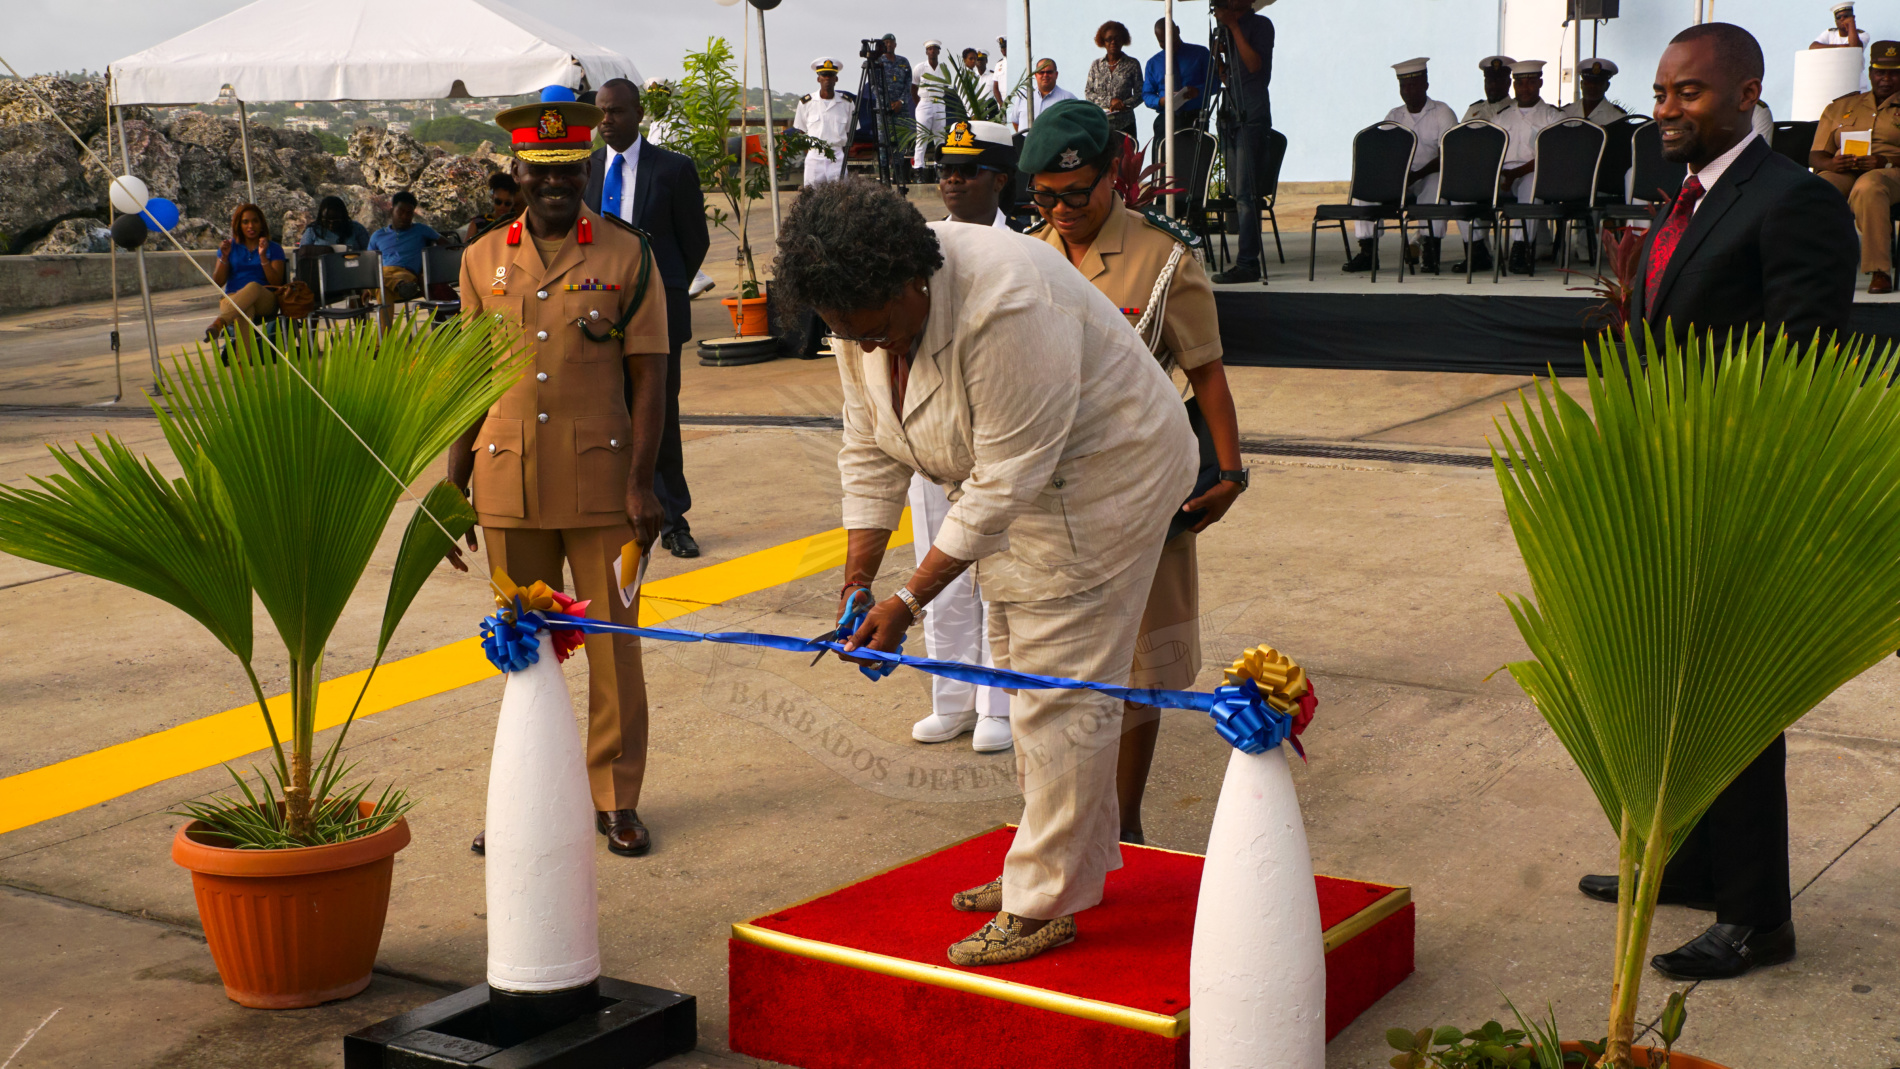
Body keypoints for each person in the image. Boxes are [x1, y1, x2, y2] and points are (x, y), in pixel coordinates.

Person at [772, 176, 1195, 966]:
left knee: (1057, 687)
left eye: (877, 331)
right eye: (849, 335)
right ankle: (1066, 855)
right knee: (1021, 662)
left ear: (913, 281)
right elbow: (869, 442)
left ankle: (1044, 901)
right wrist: (858, 580)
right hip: (1027, 481)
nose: (869, 348)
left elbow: (1004, 481)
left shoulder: (1009, 305)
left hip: (1106, 478)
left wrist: (907, 599)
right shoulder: (857, 305)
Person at [1585, 23, 1856, 982]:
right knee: (1678, 685)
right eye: (1662, 92)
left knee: (1737, 705)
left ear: (1747, 94)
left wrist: (1752, 486)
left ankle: (1756, 917)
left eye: (1688, 93)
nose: (1665, 109)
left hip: (1738, 492)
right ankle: (1694, 865)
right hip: (1670, 483)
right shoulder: (1687, 200)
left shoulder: (1795, 201)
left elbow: (1806, 365)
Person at [1020, 101, 1246, 845]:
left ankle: (1125, 823)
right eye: (1044, 197)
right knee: (1053, 667)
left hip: (1143, 489)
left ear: (1112, 175)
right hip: (1051, 495)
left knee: (1139, 665)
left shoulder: (1164, 257)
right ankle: (1060, 828)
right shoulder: (1028, 254)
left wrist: (1230, 472)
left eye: (1075, 193)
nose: (1061, 210)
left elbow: (1207, 373)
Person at [454, 98, 672, 860]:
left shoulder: (627, 254)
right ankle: (530, 799)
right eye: (540, 170)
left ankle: (616, 798)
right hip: (507, 481)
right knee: (523, 648)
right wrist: (453, 484)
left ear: (587, 169)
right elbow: (468, 379)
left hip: (604, 484)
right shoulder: (482, 257)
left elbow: (651, 377)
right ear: (517, 170)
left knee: (613, 648)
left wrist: (643, 483)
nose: (555, 183)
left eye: (569, 170)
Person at [904, 119, 1022, 754]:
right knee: (939, 567)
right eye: (945, 170)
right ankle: (951, 698)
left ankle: (998, 703)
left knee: (999, 576)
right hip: (935, 429)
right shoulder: (921, 246)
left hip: (1001, 433)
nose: (951, 180)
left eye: (967, 170)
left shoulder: (1025, 250)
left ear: (999, 180)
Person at [584, 77, 713, 559]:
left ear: (638, 114)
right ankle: (611, 511)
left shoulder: (673, 169)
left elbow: (694, 240)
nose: (606, 120)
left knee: (659, 412)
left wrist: (663, 287)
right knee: (602, 411)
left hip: (657, 311)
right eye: (601, 111)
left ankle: (673, 519)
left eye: (616, 111)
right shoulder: (586, 168)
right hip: (597, 313)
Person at [1347, 58, 1458, 274]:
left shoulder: (1442, 112)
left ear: (1426, 84)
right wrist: (1394, 176)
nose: (1407, 91)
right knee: (1366, 187)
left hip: (1428, 174)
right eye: (1403, 86)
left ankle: (1430, 249)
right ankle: (1368, 251)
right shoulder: (1395, 115)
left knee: (1437, 184)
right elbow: (1384, 153)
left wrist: (1416, 175)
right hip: (1399, 179)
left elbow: (1449, 155)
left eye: (1413, 85)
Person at [1810, 41, 1900, 294]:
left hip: (1891, 172)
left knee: (1868, 187)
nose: (1886, 79)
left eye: (1894, 73)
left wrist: (1885, 161)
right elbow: (1816, 155)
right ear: (1870, 73)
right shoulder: (1841, 107)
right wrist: (1831, 163)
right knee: (1817, 188)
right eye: (1880, 72)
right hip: (1844, 170)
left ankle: (1879, 270)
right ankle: (1814, 267)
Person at [1209, 0, 1276, 284]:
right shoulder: (1225, 30)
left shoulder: (1260, 25)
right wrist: (1219, 57)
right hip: (1231, 114)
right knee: (1237, 192)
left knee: (1247, 194)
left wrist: (1234, 27)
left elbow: (1254, 66)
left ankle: (1248, 263)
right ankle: (1244, 260)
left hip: (1252, 114)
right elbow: (1227, 76)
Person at [1492, 59, 1563, 276]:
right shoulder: (1501, 116)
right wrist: (1502, 175)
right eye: (1520, 83)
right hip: (1503, 175)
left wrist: (1516, 174)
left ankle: (1521, 249)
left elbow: (1551, 156)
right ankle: (1475, 249)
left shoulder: (1553, 115)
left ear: (1540, 83)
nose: (1525, 88)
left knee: (1532, 183)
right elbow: (1491, 152)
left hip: (1535, 173)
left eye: (1531, 82)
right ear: (1514, 85)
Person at [206, 202, 286, 341]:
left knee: (253, 286)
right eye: (245, 222)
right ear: (239, 225)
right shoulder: (229, 247)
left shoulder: (273, 248)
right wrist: (224, 257)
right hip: (233, 297)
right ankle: (244, 356)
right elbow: (218, 282)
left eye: (255, 221)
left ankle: (220, 323)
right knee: (244, 310)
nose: (251, 226)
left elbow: (276, 282)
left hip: (264, 299)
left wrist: (263, 257)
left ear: (261, 224)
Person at [1143, 19, 1214, 168]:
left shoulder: (1200, 54)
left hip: (1194, 119)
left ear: (1178, 30)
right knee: (1163, 165)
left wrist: (1198, 91)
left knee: (1194, 166)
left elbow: (1215, 83)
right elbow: (1147, 95)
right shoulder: (1153, 63)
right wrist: (1161, 101)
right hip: (1166, 119)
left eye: (1171, 38)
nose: (1168, 44)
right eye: (1162, 42)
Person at [365, 190, 440, 329]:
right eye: (400, 212)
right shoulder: (378, 235)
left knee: (381, 285)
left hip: (406, 274)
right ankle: (397, 285)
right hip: (390, 279)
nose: (405, 216)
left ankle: (383, 341)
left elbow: (446, 245)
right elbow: (369, 263)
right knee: (381, 285)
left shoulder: (421, 230)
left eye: (409, 213)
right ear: (391, 211)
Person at [793, 57, 856, 188]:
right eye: (824, 75)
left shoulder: (847, 103)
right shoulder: (806, 103)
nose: (827, 78)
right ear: (818, 79)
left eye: (831, 75)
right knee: (811, 195)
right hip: (814, 157)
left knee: (840, 195)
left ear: (836, 79)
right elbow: (801, 131)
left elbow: (850, 132)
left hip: (837, 156)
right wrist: (811, 151)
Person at [1086, 21, 1143, 138]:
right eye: (1109, 39)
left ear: (1123, 40)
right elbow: (1088, 93)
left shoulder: (1132, 64)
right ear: (1103, 42)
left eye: (1117, 38)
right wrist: (1110, 101)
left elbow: (1141, 94)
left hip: (1125, 125)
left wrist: (1123, 104)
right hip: (1101, 125)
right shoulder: (1096, 65)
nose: (1113, 42)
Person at [874, 34, 914, 182]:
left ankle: (899, 174)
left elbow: (908, 85)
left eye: (891, 42)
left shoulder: (904, 62)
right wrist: (887, 103)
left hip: (901, 109)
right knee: (883, 142)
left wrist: (901, 102)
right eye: (886, 42)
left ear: (895, 45)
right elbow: (874, 85)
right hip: (883, 108)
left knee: (900, 142)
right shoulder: (877, 62)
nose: (889, 45)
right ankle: (885, 175)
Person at [1814, 1, 1877, 91]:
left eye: (1846, 16)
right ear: (1835, 21)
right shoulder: (1830, 33)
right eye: (1838, 17)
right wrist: (1841, 47)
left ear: (1853, 17)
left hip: (1856, 82)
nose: (1842, 19)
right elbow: (1813, 46)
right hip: (1834, 82)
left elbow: (1855, 48)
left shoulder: (1863, 35)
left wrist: (1851, 24)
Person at [911, 40, 950, 174]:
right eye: (930, 49)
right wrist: (919, 104)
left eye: (935, 49)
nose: (932, 51)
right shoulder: (920, 68)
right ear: (926, 52)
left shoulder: (943, 68)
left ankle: (939, 166)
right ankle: (918, 168)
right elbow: (913, 87)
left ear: (939, 51)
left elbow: (946, 87)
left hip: (939, 103)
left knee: (940, 136)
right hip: (925, 102)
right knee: (922, 136)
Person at [1009, 58, 1077, 131]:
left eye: (1049, 72)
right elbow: (1015, 121)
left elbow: (1076, 126)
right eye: (1041, 72)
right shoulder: (1024, 95)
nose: (1045, 75)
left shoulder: (1068, 99)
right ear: (1036, 75)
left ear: (1056, 74)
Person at [1559, 58, 1628, 126]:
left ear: (1607, 86)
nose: (1592, 86)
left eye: (1598, 83)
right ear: (1581, 84)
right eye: (1589, 82)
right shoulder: (1565, 112)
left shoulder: (1618, 117)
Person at [464, 173, 521, 243]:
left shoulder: (518, 223)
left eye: (507, 203)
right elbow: (466, 247)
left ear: (513, 202)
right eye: (498, 202)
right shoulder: (478, 222)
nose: (502, 206)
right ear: (493, 197)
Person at [300, 195, 371, 250]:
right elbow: (302, 254)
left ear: (343, 217)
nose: (331, 225)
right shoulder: (312, 231)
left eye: (336, 221)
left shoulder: (357, 229)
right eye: (326, 221)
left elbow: (368, 252)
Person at [1463, 55, 1516, 122]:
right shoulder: (1474, 110)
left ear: (1509, 83)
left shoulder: (1516, 108)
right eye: (1490, 81)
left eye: (1498, 81)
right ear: (1485, 82)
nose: (1493, 85)